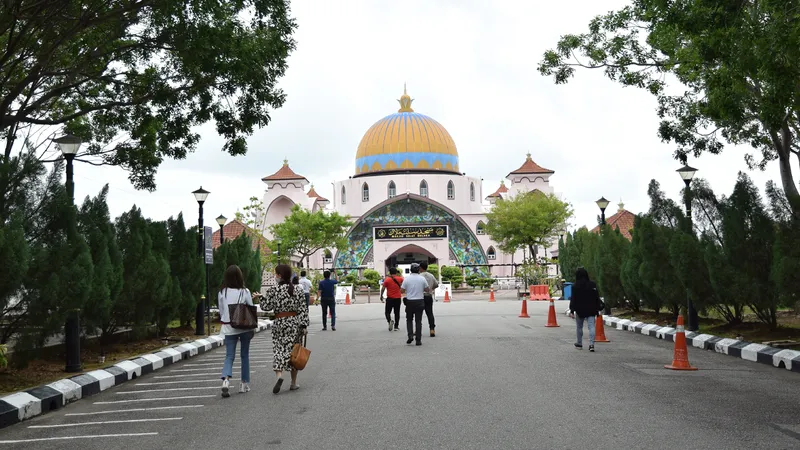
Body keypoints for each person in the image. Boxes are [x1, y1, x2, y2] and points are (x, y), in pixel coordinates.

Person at [258, 264, 309, 393]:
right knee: (294, 352)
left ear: (279, 275)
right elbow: (303, 309)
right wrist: (303, 325)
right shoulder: (297, 290)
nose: (275, 276)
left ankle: (279, 376)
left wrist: (260, 297)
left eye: (275, 274)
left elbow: (266, 306)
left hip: (279, 323)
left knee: (279, 350)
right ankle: (293, 383)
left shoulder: (273, 290)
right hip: (294, 324)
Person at [217, 265, 256, 397]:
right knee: (244, 355)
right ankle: (244, 384)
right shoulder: (245, 291)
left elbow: (221, 311)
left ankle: (226, 380)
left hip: (228, 326)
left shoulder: (222, 292)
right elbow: (250, 308)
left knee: (229, 356)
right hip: (244, 326)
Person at [568, 267, 603, 352]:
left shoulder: (575, 286)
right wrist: (598, 307)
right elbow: (596, 297)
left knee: (579, 327)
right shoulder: (592, 285)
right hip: (591, 309)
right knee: (591, 326)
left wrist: (572, 310)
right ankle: (591, 345)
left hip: (580, 310)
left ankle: (579, 343)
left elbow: (573, 299)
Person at [400, 263, 429, 346]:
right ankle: (418, 340)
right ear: (418, 270)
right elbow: (427, 289)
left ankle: (410, 336)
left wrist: (408, 290)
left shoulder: (407, 279)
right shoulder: (422, 279)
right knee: (418, 321)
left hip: (409, 302)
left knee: (409, 320)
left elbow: (402, 291)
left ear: (410, 270)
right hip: (420, 301)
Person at [419, 261, 439, 337]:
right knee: (430, 313)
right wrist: (431, 289)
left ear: (420, 268)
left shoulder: (419, 276)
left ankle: (417, 329)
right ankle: (432, 329)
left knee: (419, 314)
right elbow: (436, 284)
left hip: (420, 297)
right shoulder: (431, 275)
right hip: (428, 296)